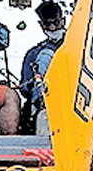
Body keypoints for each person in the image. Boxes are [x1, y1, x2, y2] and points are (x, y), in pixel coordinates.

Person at [20, 1, 65, 135]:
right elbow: (24, 88)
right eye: (47, 24)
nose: (52, 28)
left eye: (56, 23)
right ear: (41, 25)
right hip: (44, 107)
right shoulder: (34, 54)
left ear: (63, 20)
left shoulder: (77, 47)